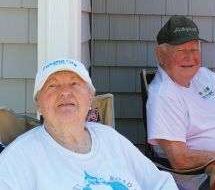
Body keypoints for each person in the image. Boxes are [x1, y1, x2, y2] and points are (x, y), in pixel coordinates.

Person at [0, 58, 178, 190]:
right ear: (38, 103)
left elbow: (160, 184)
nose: (65, 92)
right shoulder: (17, 159)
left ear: (90, 97)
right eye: (52, 86)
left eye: (74, 83)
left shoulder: (110, 139)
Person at [147, 15, 215, 190]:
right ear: (161, 55)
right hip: (204, 178)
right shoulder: (164, 95)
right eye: (180, 51)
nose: (190, 57)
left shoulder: (205, 76)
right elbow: (179, 158)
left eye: (194, 49)